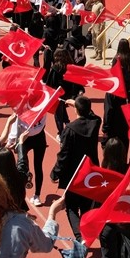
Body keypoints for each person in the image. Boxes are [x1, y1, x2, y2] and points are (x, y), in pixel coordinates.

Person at [50, 95, 101, 241]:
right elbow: (93, 115)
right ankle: (86, 231)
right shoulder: (96, 122)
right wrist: (79, 105)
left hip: (73, 174)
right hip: (90, 171)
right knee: (86, 204)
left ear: (76, 110)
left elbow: (63, 155)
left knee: (71, 206)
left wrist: (55, 173)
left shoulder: (70, 130)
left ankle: (79, 237)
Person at [1, 108, 48, 207]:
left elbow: (16, 124)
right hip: (38, 137)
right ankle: (36, 195)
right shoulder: (44, 105)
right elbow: (43, 124)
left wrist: (10, 141)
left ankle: (29, 195)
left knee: (22, 165)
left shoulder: (23, 108)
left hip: (25, 138)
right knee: (37, 166)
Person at [103, 39, 130, 141]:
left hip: (119, 88)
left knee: (114, 107)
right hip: (128, 89)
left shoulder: (117, 58)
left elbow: (114, 73)